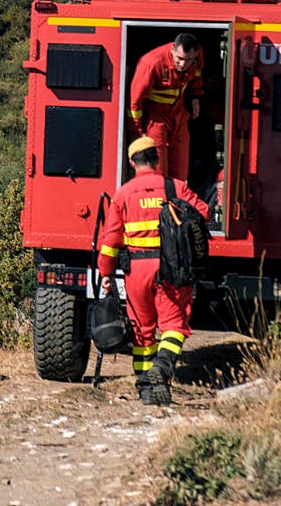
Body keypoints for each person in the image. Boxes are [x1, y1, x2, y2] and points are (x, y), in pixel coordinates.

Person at [96, 137, 210, 405]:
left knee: (143, 333)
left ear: (131, 162)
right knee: (173, 326)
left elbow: (111, 241)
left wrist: (106, 274)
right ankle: (163, 366)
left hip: (136, 271)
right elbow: (202, 213)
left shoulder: (123, 194)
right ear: (157, 160)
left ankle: (147, 391)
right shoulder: (176, 187)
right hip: (171, 269)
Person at [129, 32, 203, 180]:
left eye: (188, 60)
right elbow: (135, 102)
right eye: (179, 59)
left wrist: (196, 97)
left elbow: (196, 75)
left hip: (179, 115)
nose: (183, 64)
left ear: (195, 54)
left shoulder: (197, 56)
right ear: (172, 50)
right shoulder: (151, 63)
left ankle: (177, 202)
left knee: (181, 172)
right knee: (158, 171)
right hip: (156, 118)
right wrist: (137, 132)